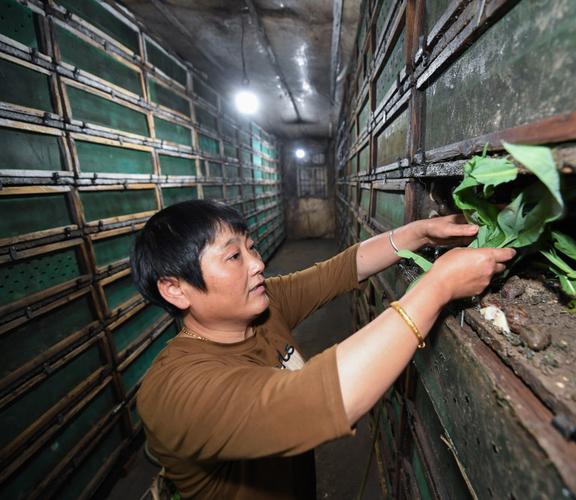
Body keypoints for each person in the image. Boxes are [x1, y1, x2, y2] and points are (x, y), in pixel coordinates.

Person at [131, 199, 515, 499]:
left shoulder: (260, 309)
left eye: (251, 248)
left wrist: (418, 234)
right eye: (234, 256)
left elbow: (341, 269)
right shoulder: (175, 390)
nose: (258, 264)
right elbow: (312, 399)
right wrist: (438, 286)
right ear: (175, 289)